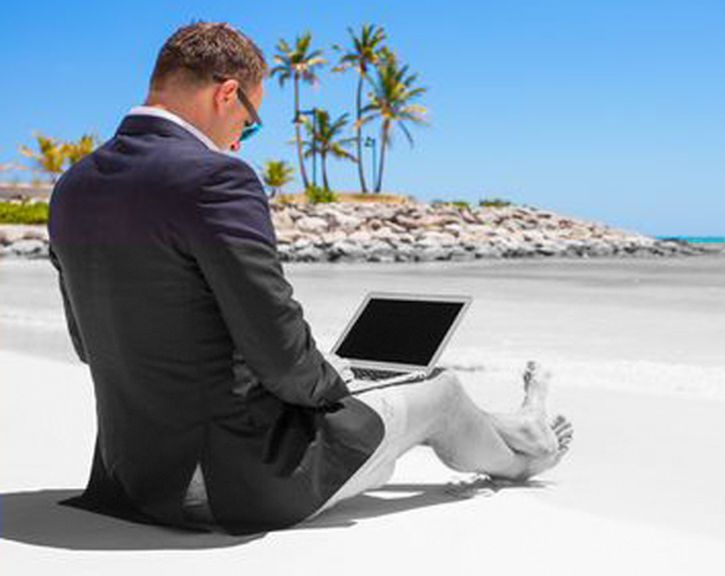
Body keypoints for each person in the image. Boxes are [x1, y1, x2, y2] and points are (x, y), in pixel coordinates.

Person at [47, 21, 572, 536]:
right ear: (227, 94)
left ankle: (515, 427)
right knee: (441, 391)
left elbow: (88, 346)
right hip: (229, 483)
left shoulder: (73, 186)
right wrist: (338, 382)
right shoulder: (215, 179)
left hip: (132, 478)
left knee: (396, 391)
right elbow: (281, 361)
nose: (239, 143)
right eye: (249, 124)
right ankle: (529, 457)